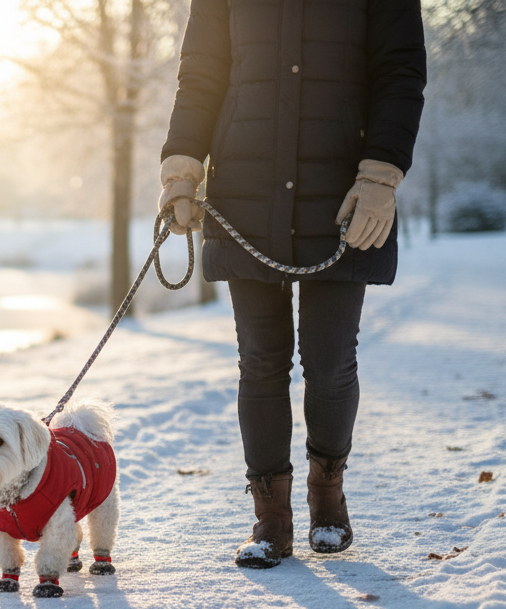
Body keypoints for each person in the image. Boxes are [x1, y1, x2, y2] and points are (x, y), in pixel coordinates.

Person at [158, 0, 427, 568]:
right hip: (246, 187)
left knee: (330, 361)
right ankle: (271, 519)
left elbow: (400, 70)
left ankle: (327, 499)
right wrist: (182, 171)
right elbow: (201, 72)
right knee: (260, 359)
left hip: (343, 190)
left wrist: (382, 174)